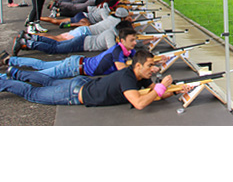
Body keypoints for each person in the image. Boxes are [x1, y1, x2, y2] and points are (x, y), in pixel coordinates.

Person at [0, 49, 190, 109]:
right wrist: (161, 87)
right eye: (150, 66)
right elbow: (139, 103)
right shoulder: (128, 78)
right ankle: (4, 80)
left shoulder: (139, 77)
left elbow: (155, 95)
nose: (154, 69)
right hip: (73, 93)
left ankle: (12, 72)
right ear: (138, 65)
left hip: (82, 84)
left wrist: (174, 90)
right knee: (32, 92)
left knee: (46, 80)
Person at [4, 27, 137, 79]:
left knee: (42, 64)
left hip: (77, 61)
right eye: (132, 40)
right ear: (122, 40)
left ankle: (10, 60)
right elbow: (122, 70)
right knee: (40, 74)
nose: (135, 43)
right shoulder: (117, 51)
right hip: (74, 66)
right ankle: (5, 77)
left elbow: (138, 57)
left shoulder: (126, 49)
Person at [13, 20, 133, 56]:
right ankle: (28, 43)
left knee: (56, 42)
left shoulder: (112, 31)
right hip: (81, 42)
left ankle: (30, 38)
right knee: (55, 47)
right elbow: (113, 50)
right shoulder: (110, 35)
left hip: (82, 38)